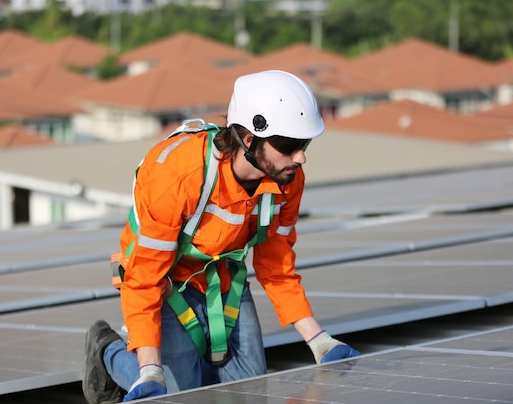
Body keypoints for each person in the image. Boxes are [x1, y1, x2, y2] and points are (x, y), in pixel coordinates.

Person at [82, 69, 360, 404]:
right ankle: (108, 349)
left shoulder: (287, 180)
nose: (300, 157)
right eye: (288, 144)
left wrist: (319, 341)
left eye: (305, 144)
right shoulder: (177, 176)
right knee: (175, 396)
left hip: (224, 280)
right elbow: (144, 280)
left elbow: (277, 265)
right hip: (166, 283)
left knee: (251, 395)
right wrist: (150, 369)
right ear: (247, 138)